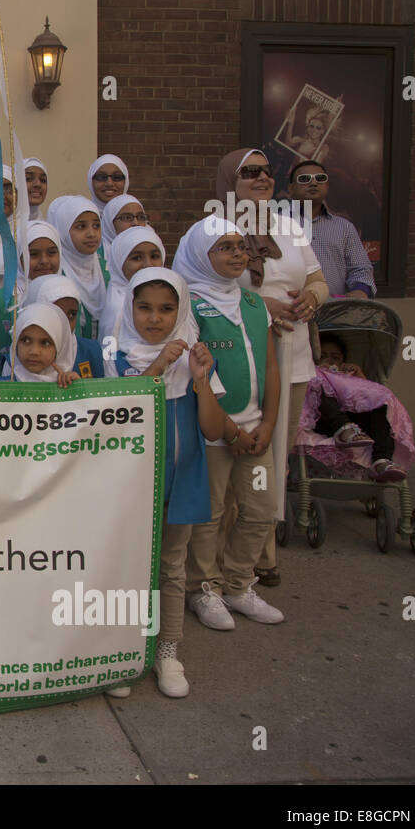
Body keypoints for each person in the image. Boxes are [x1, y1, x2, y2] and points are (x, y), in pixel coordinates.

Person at [108, 268, 229, 698]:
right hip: (129, 488)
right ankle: (122, 655)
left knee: (171, 567)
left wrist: (199, 381)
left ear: (180, 312)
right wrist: (159, 366)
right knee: (127, 567)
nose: (154, 319)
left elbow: (213, 430)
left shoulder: (194, 360)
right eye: (144, 308)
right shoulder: (115, 356)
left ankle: (167, 651)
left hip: (182, 480)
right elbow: (122, 413)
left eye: (165, 309)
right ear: (129, 308)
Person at [173, 215, 284, 632]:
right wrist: (231, 431)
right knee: (211, 514)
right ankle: (204, 589)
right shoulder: (190, 306)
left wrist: (269, 423)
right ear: (203, 255)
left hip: (257, 431)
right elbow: (202, 377)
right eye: (226, 247)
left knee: (259, 510)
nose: (239, 253)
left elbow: (270, 365)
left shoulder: (253, 303)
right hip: (216, 434)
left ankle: (239, 583)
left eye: (241, 246)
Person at [225, 147, 329, 586]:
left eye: (266, 171)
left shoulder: (291, 228)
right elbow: (197, 290)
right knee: (241, 457)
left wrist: (313, 298)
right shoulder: (215, 229)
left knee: (276, 461)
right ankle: (229, 561)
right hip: (242, 360)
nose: (262, 178)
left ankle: (262, 553)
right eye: (249, 172)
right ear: (229, 180)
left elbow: (317, 279)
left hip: (293, 358)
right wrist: (257, 304)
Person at [301, 334, 411, 482]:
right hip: (324, 420)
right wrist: (320, 371)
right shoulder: (312, 374)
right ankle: (343, 428)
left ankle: (381, 460)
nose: (329, 361)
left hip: (354, 422)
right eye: (323, 356)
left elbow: (367, 397)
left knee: (378, 402)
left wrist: (358, 376)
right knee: (317, 386)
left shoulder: (346, 376)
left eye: (335, 358)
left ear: (342, 361)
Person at [289, 160, 376, 298]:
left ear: (327, 186)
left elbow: (361, 269)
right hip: (288, 309)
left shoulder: (344, 227)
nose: (313, 183)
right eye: (304, 179)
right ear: (291, 188)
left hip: (334, 313)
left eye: (320, 178)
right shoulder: (276, 224)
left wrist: (360, 292)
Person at [47, 196, 106, 340]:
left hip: (105, 357)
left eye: (96, 226)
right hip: (71, 359)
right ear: (63, 231)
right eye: (81, 227)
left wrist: (108, 361)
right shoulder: (55, 275)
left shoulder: (106, 272)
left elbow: (113, 327)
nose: (91, 233)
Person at [25, 274, 106, 378]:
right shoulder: (17, 359)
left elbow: (102, 392)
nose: (65, 323)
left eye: (71, 315)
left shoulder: (91, 351)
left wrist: (81, 387)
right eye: (56, 314)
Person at [98, 225, 165, 346]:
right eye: (137, 258)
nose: (148, 264)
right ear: (119, 262)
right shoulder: (118, 309)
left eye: (154, 256)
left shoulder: (169, 296)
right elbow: (107, 358)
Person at [6, 302, 80, 388]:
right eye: (26, 340)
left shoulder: (68, 386)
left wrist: (80, 390)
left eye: (45, 343)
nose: (34, 351)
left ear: (59, 347)